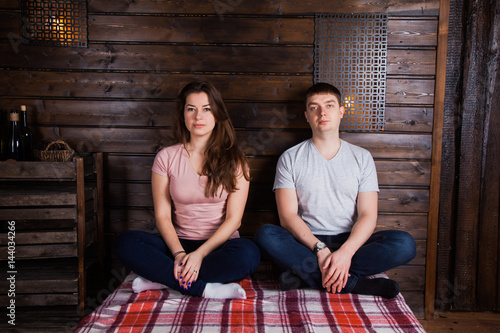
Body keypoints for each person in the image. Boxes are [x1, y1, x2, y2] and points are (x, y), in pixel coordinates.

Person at [254, 82, 416, 299]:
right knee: (266, 235)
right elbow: (288, 217)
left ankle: (306, 277)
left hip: (350, 240)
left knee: (404, 244)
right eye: (314, 107)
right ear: (306, 115)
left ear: (341, 111)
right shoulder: (290, 158)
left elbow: (368, 215)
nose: (322, 112)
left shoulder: (361, 157)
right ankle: (353, 284)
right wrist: (319, 249)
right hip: (307, 243)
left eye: (329, 105)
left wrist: (346, 252)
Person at [116, 80, 260, 299]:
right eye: (191, 109)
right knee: (126, 243)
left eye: (206, 109)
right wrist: (180, 254)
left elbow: (234, 220)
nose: (198, 116)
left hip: (219, 247)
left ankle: (162, 280)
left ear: (217, 115)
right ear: (183, 115)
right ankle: (203, 288)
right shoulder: (166, 157)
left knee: (249, 254)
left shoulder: (236, 162)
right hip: (178, 244)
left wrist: (199, 255)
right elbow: (163, 216)